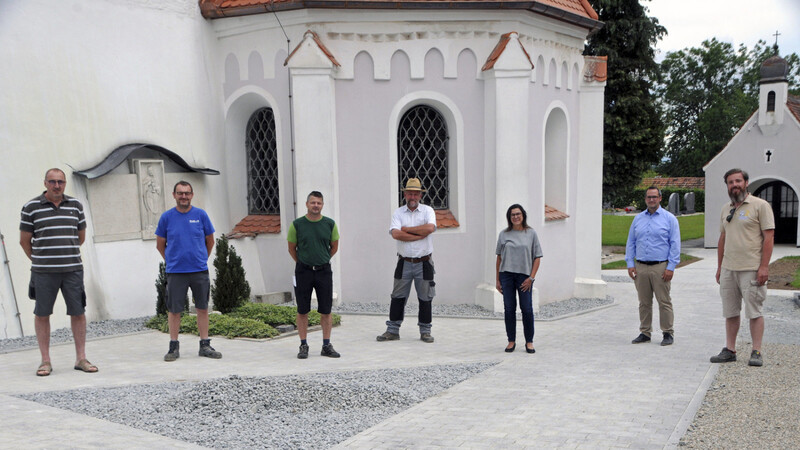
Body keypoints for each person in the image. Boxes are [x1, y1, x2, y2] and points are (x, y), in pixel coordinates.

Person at [20, 168, 98, 376]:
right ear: (45, 183)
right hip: (43, 272)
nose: (57, 186)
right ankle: (45, 361)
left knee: (78, 312)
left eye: (60, 182)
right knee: (42, 313)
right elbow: (24, 241)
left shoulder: (75, 206)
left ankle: (81, 358)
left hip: (72, 270)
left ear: (65, 184)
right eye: (52, 182)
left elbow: (79, 237)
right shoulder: (30, 208)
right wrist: (41, 260)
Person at [711, 168, 774, 367]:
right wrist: (720, 267)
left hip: (751, 269)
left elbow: (769, 237)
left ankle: (756, 351)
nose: (734, 185)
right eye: (730, 182)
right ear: (727, 186)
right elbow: (723, 238)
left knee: (754, 311)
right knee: (730, 311)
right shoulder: (725, 209)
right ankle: (730, 349)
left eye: (738, 181)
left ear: (746, 183)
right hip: (729, 269)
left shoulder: (760, 206)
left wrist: (764, 266)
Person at [155, 181, 221, 362]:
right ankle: (173, 347)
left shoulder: (201, 215)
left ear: (192, 195)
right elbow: (160, 244)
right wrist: (172, 261)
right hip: (176, 272)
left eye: (187, 193)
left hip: (199, 270)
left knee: (202, 308)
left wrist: (201, 258)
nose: (183, 196)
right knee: (174, 310)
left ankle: (205, 345)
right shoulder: (166, 218)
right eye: (180, 193)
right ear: (174, 195)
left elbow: (210, 241)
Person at [377, 178, 437, 343]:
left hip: (424, 262)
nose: (412, 196)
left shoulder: (428, 211)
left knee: (425, 297)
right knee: (397, 296)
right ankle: (393, 330)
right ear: (405, 194)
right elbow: (396, 234)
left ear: (420, 195)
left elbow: (430, 228)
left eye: (415, 193)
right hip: (404, 262)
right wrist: (419, 234)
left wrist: (407, 230)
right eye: (409, 193)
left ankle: (425, 331)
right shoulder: (398, 213)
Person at [287, 191, 341, 359]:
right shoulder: (297, 224)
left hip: (324, 271)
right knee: (302, 310)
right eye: (313, 203)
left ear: (322, 205)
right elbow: (291, 248)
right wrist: (304, 262)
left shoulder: (330, 224)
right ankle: (303, 345)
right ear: (307, 204)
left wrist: (321, 260)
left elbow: (334, 246)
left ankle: (326, 345)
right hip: (303, 271)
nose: (316, 206)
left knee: (326, 310)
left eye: (319, 203)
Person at [625, 187, 681, 346]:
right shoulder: (638, 219)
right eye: (649, 197)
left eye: (654, 197)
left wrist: (671, 267)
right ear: (645, 199)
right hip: (641, 266)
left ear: (660, 198)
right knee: (644, 302)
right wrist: (630, 263)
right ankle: (645, 332)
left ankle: (667, 332)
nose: (651, 200)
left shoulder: (669, 219)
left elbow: (675, 244)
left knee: (664, 301)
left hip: (660, 266)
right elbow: (631, 242)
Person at [495, 204, 542, 354]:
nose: (515, 217)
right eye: (512, 214)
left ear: (523, 216)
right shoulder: (503, 234)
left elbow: (537, 257)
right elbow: (499, 258)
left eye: (518, 214)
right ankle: (511, 341)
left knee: (527, 309)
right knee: (509, 309)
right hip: (506, 275)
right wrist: (497, 280)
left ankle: (529, 341)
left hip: (524, 277)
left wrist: (531, 278)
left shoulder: (531, 233)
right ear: (509, 217)